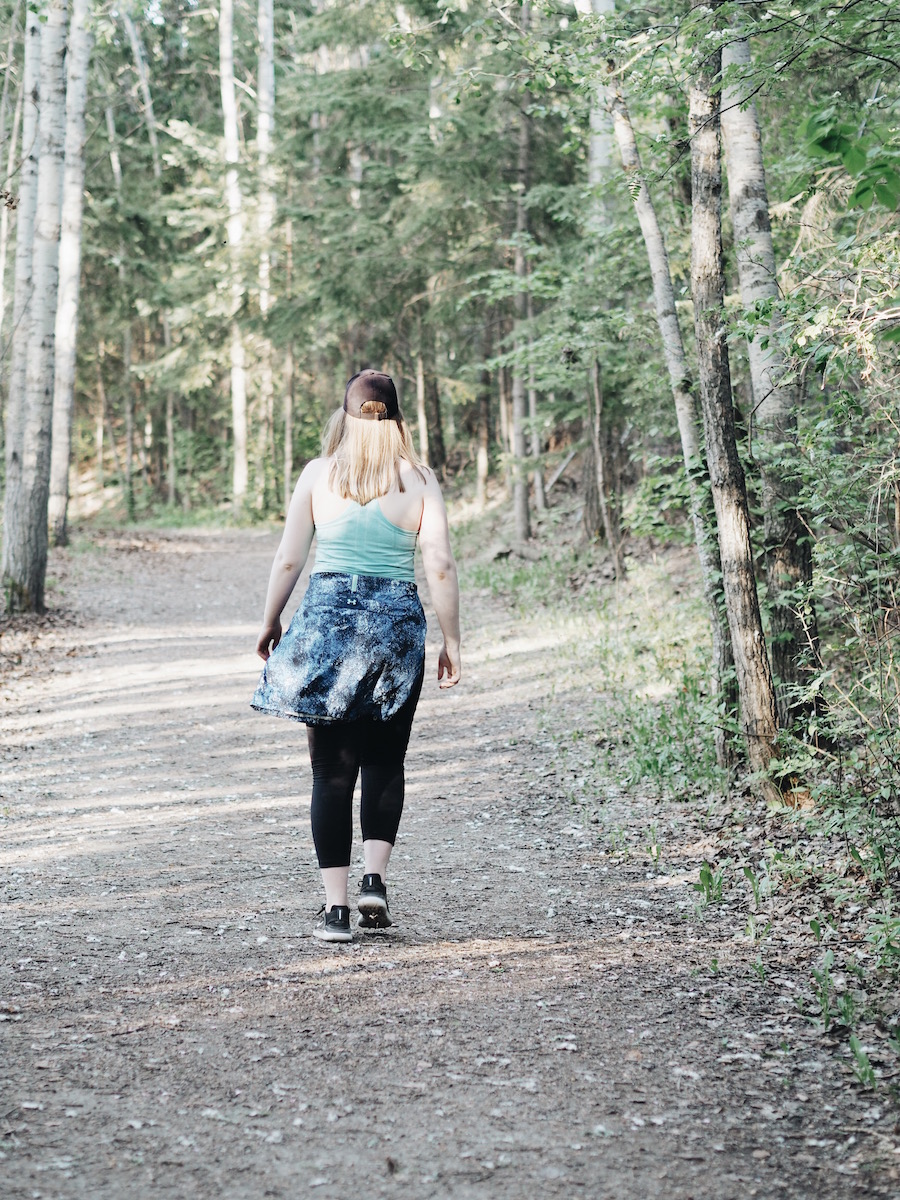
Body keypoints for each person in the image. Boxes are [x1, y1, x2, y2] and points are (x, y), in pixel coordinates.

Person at [251, 369, 461, 943]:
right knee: (386, 762)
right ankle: (375, 880)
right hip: (395, 631)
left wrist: (271, 620)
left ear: (344, 417)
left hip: (327, 630)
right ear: (397, 420)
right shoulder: (419, 480)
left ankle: (336, 911)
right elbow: (439, 563)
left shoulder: (319, 474)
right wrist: (452, 640)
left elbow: (289, 559)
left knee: (330, 772)